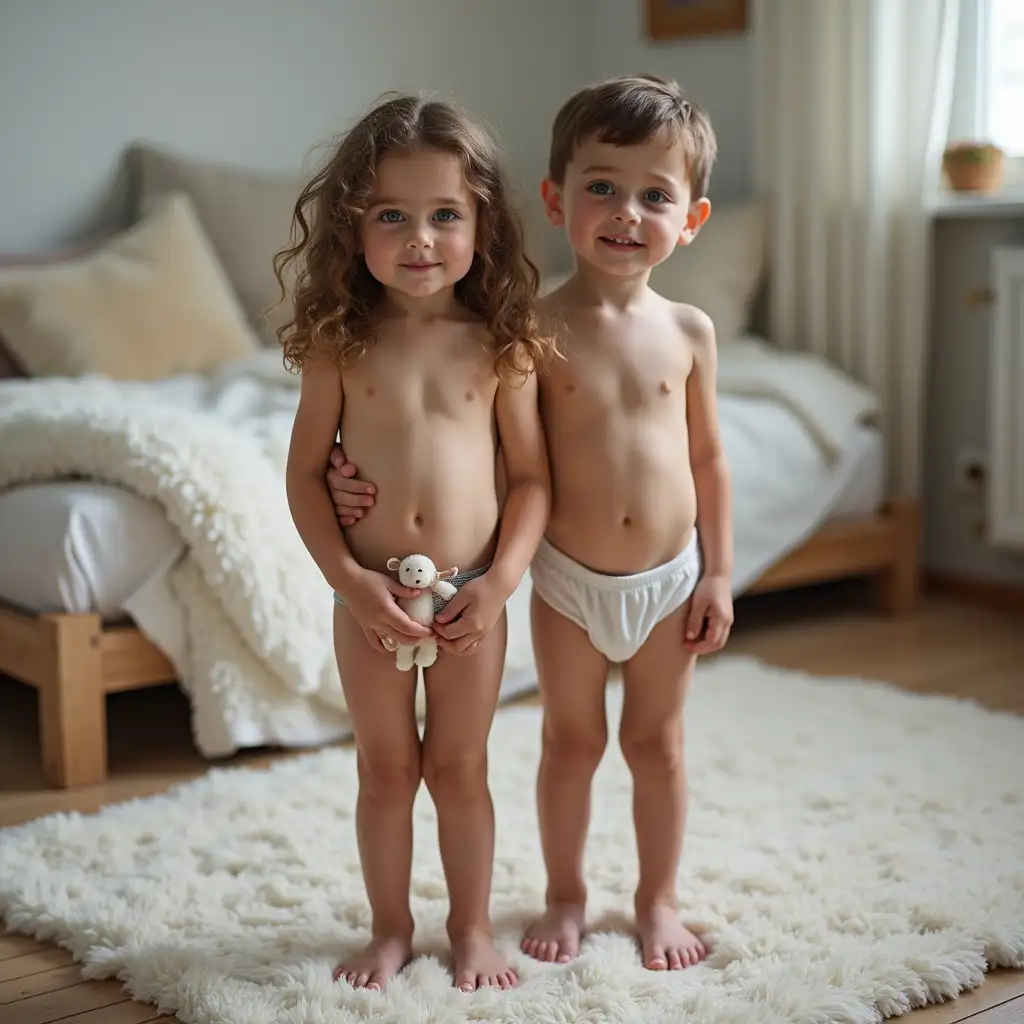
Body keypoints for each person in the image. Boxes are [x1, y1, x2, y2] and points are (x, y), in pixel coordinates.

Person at [326, 73, 734, 973]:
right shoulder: (530, 329)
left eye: (654, 196)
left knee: (656, 746)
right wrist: (344, 481)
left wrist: (717, 570)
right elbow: (488, 455)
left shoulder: (684, 332)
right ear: (554, 200)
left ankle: (655, 902)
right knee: (568, 741)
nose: (626, 213)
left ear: (690, 218)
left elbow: (700, 460)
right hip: (563, 579)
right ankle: (560, 896)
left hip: (652, 578)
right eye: (601, 188)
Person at [279, 93, 555, 993]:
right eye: (391, 215)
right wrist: (351, 584)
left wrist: (502, 581)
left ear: (483, 223)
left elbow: (532, 481)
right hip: (369, 599)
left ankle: (471, 929)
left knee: (463, 767)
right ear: (352, 229)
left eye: (446, 214)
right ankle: (390, 928)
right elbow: (302, 478)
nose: (420, 238)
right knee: (387, 768)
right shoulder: (339, 345)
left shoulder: (501, 343)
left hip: (474, 594)